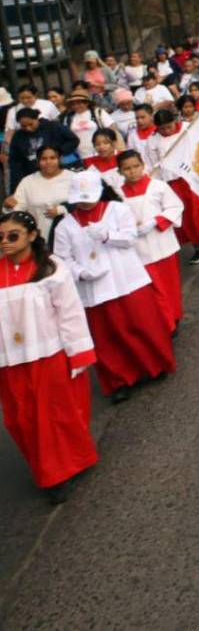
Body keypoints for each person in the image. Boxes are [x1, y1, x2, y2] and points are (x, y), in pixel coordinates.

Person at [51, 169, 175, 403]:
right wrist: (80, 272)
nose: (85, 204)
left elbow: (130, 238)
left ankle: (155, 365)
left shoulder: (117, 210)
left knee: (143, 325)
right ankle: (119, 380)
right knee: (107, 338)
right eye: (80, 200)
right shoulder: (64, 226)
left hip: (128, 280)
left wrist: (108, 235)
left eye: (89, 199)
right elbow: (62, 259)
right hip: (94, 289)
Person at [0, 210, 98, 504]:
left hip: (48, 355)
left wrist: (78, 353)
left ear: (31, 236)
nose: (5, 242)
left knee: (50, 417)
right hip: (9, 362)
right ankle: (55, 465)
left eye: (12, 235)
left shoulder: (51, 268)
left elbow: (69, 312)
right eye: (1, 237)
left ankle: (54, 476)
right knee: (20, 420)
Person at [117, 149, 185, 332]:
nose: (132, 171)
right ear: (120, 171)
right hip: (138, 250)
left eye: (135, 166)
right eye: (126, 168)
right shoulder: (118, 197)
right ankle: (167, 323)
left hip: (162, 244)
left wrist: (156, 221)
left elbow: (176, 206)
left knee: (170, 286)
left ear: (143, 166)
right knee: (154, 290)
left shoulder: (158, 187)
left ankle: (174, 316)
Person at [144, 108, 199, 265]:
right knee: (183, 217)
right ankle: (197, 248)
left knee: (198, 213)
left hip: (190, 178)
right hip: (170, 183)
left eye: (169, 126)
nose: (166, 131)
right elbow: (152, 165)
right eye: (162, 128)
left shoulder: (187, 129)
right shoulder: (152, 141)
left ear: (175, 122)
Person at [6, 109, 79, 195]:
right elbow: (15, 162)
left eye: (30, 124)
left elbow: (73, 140)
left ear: (36, 119)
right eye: (23, 126)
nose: (28, 128)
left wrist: (58, 153)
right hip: (34, 176)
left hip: (58, 172)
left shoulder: (53, 126)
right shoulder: (18, 136)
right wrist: (15, 189)